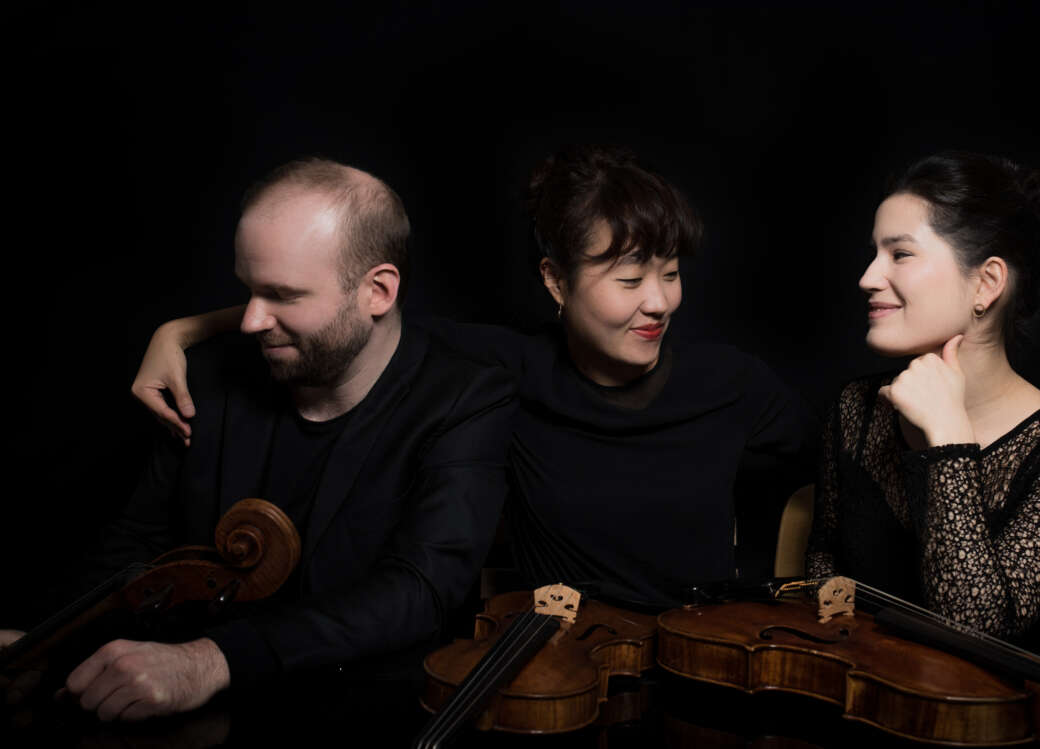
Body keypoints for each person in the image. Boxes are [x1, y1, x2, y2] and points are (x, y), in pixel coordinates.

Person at [127, 145, 816, 611]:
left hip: (707, 657)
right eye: (630, 280)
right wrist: (182, 331)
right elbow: (344, 310)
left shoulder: (733, 382)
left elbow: (822, 477)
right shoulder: (501, 368)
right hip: (567, 675)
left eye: (671, 274)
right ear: (555, 280)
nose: (660, 301)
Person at [1, 158, 515, 720]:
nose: (249, 321)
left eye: (283, 295)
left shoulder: (466, 400)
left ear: (378, 291)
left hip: (359, 715)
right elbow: (137, 543)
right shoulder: (207, 376)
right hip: (186, 712)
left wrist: (212, 660)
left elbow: (420, 589)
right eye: (247, 290)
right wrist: (43, 642)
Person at [806, 151, 1040, 640]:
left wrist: (949, 441)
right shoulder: (856, 407)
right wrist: (842, 653)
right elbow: (826, 557)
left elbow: (976, 630)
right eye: (874, 253)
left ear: (986, 283)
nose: (867, 278)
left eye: (899, 254)